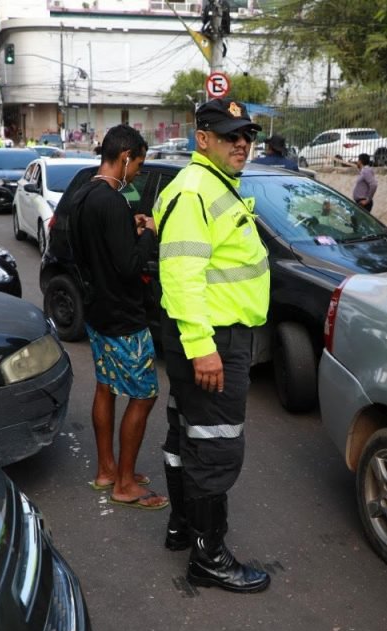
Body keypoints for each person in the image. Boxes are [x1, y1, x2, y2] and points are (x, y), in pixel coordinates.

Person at [152, 98, 271, 593]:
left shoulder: (213, 186)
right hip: (212, 342)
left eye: (246, 136)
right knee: (216, 449)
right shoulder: (198, 190)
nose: (242, 143)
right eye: (229, 135)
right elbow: (182, 275)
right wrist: (203, 346)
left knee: (187, 437)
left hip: (207, 337)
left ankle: (182, 526)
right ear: (202, 139)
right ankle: (210, 557)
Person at [69, 124, 167, 510]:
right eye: (138, 164)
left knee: (105, 386)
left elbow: (92, 252)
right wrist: (148, 232)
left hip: (97, 311)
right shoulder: (111, 201)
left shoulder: (81, 196)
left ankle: (107, 469)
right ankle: (125, 484)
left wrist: (131, 228)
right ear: (124, 157)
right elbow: (128, 266)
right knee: (144, 396)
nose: (139, 173)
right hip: (123, 317)